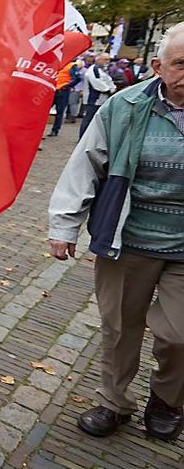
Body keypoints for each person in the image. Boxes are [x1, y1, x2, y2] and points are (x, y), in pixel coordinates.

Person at [48, 22, 184, 442]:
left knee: (179, 334)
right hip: (128, 240)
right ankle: (113, 402)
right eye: (182, 63)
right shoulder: (123, 107)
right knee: (120, 328)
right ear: (159, 67)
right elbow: (85, 164)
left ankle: (166, 400)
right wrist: (64, 225)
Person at [79, 52, 116, 138]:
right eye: (105, 59)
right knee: (89, 119)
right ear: (98, 59)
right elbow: (98, 84)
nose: (107, 61)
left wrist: (112, 88)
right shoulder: (94, 70)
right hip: (93, 99)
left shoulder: (102, 70)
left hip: (101, 100)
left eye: (108, 60)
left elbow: (109, 82)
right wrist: (109, 90)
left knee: (96, 121)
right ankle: (83, 138)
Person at [48, 60, 75, 136]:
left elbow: (76, 78)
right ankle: (40, 131)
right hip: (52, 90)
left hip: (62, 91)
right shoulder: (54, 64)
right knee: (44, 112)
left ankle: (55, 130)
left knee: (59, 112)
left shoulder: (71, 65)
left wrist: (66, 86)